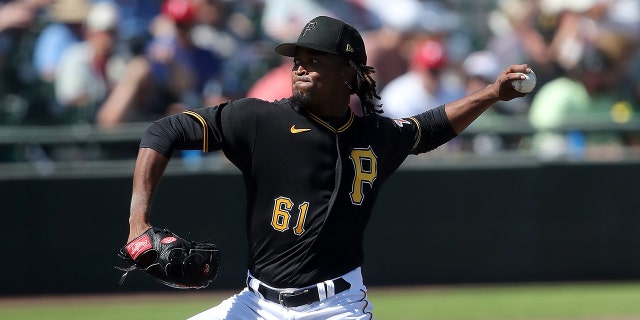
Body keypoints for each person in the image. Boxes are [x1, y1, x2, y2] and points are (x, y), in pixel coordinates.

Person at [124, 16, 530, 319]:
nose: (299, 67)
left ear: (349, 74)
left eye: (313, 60)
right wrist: (138, 223)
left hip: (335, 307)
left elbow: (430, 127)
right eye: (296, 59)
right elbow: (164, 131)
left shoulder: (376, 135)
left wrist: (491, 93)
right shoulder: (259, 120)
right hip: (255, 304)